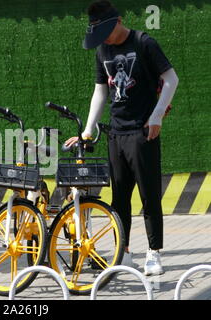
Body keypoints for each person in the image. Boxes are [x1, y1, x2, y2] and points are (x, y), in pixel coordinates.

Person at [64, 1, 178, 275]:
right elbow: (100, 92)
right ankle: (123, 253)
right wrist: (88, 130)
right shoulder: (103, 49)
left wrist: (156, 116)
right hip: (116, 132)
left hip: (142, 131)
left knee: (149, 195)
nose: (104, 39)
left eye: (106, 31)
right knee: (119, 198)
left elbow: (171, 79)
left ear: (118, 21)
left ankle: (153, 253)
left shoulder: (143, 42)